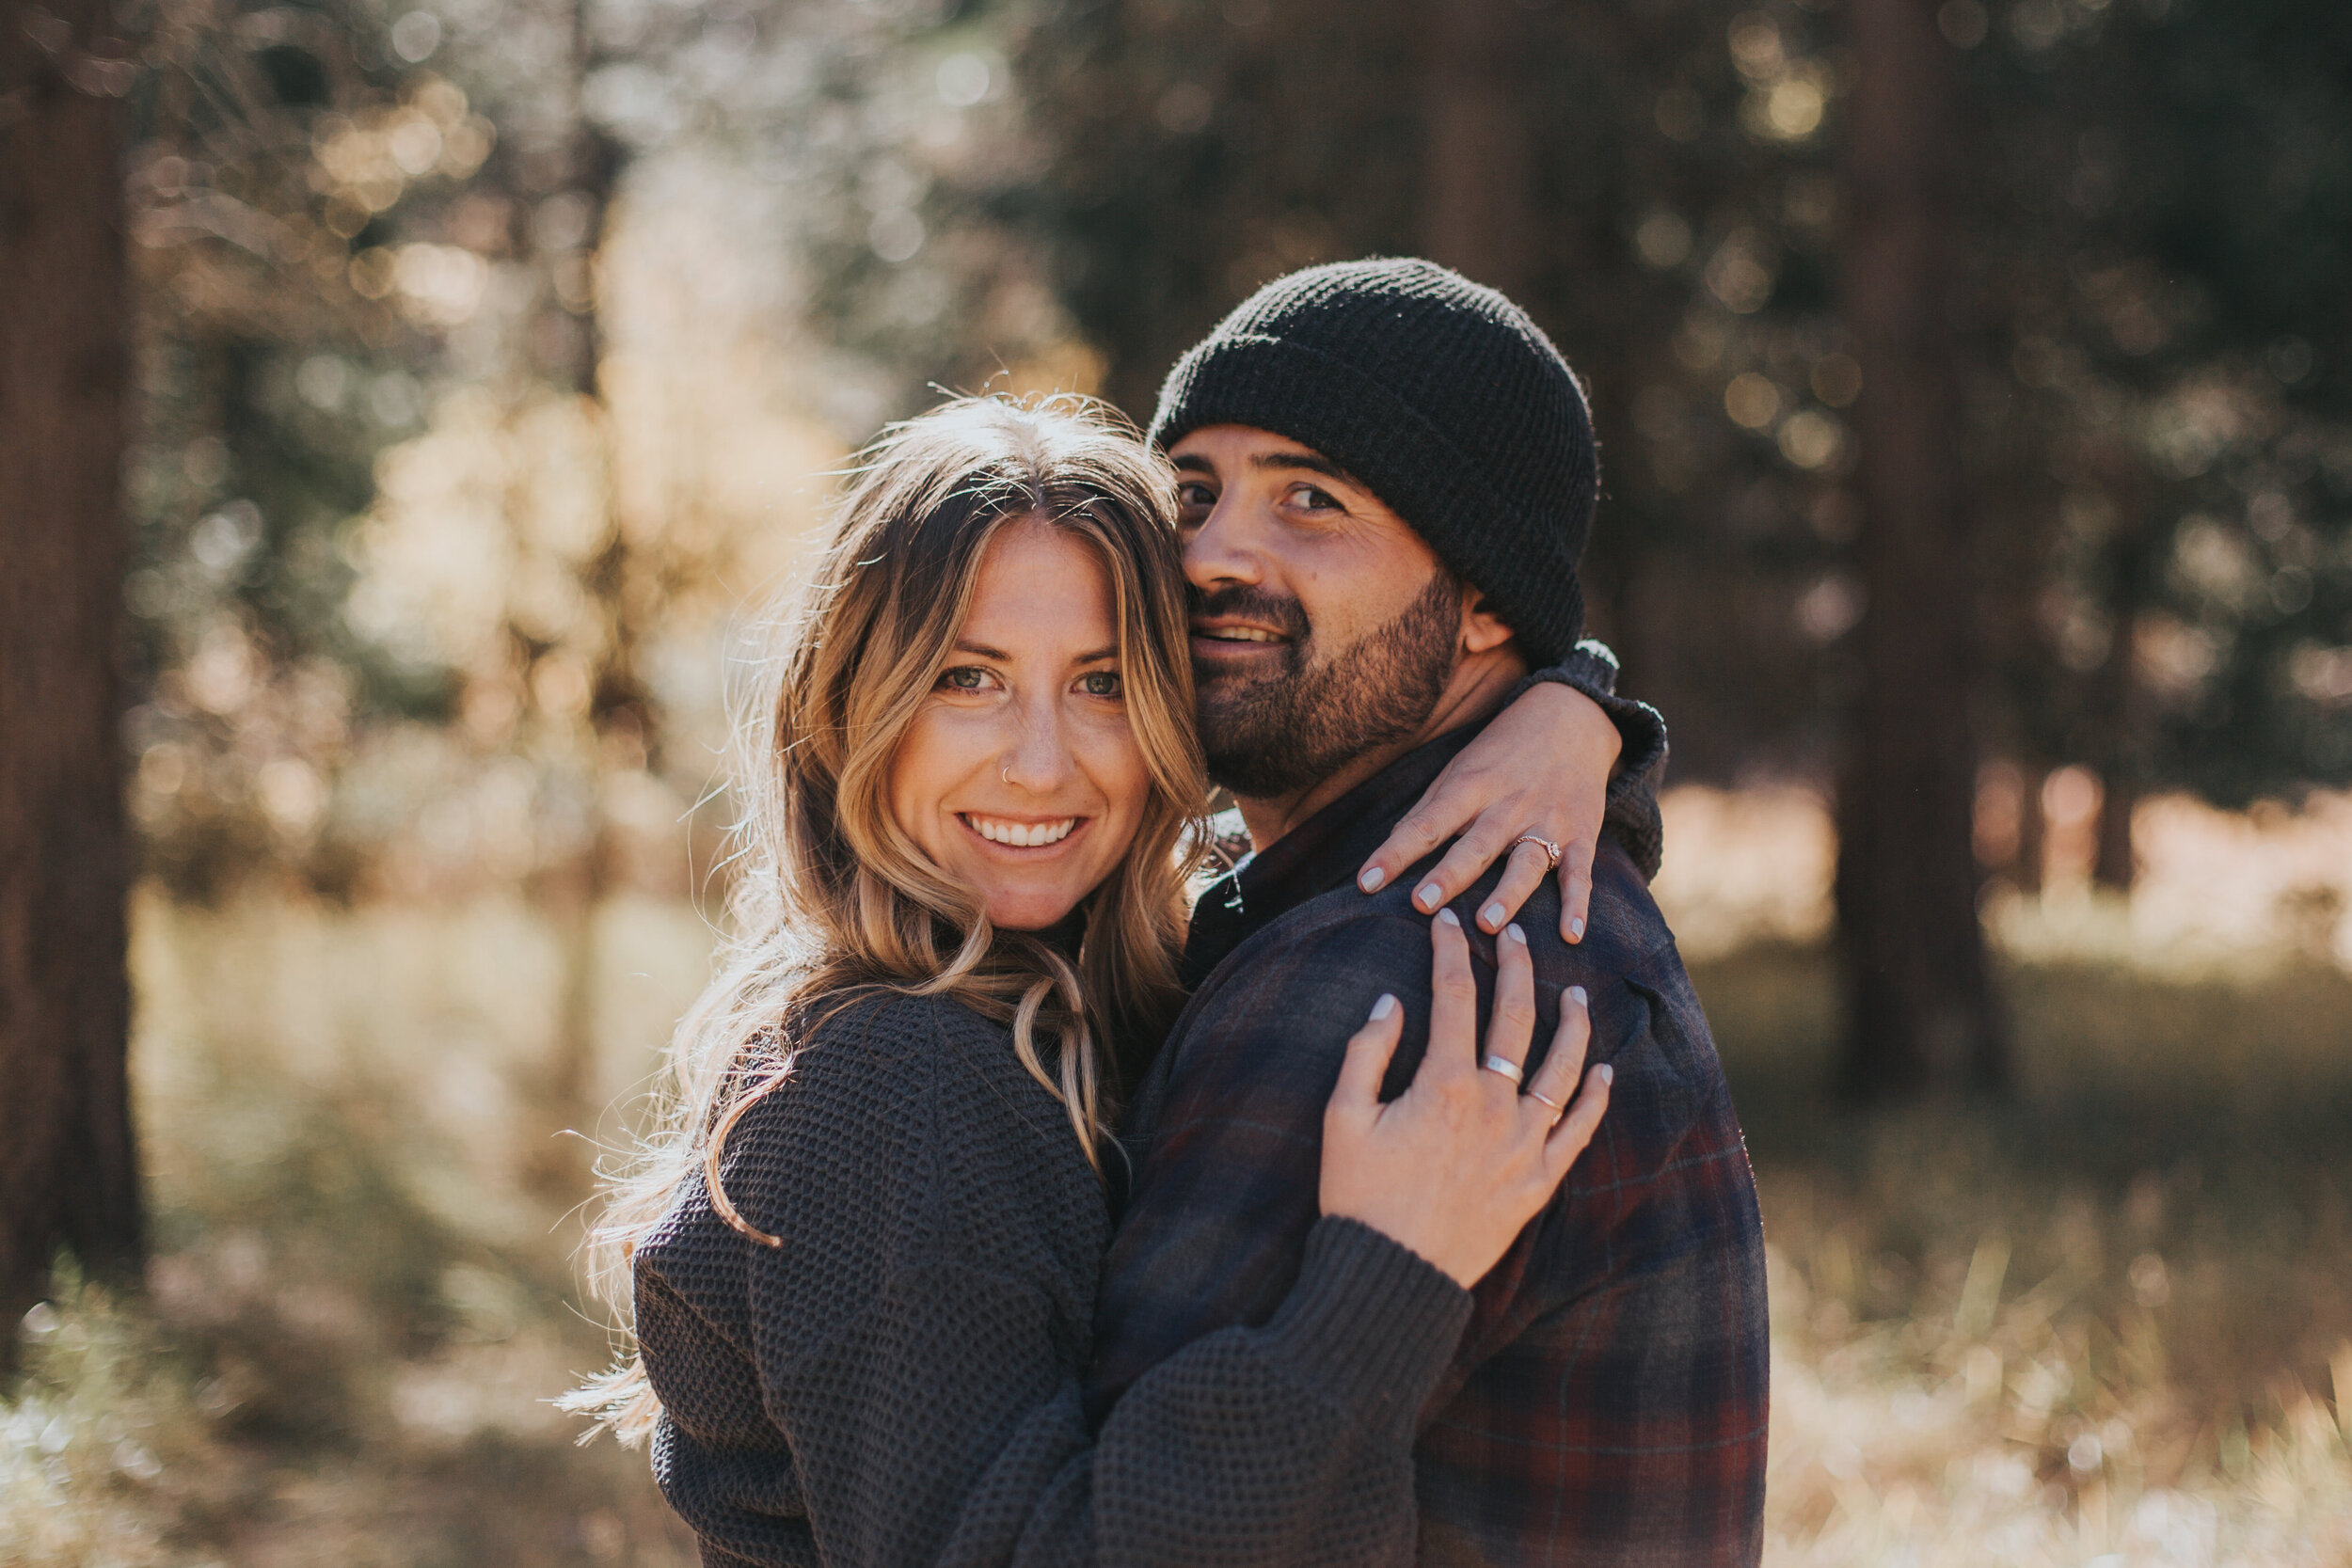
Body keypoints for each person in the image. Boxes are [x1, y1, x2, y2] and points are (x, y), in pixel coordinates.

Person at [566, 394, 1640, 1566]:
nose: (1040, 764)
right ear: (848, 708)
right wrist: (1388, 1275)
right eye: (967, 678)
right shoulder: (891, 1083)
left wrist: (1572, 710)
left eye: (1103, 681)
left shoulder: (1100, 994)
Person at [1089, 259, 1772, 1567]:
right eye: (1192, 490)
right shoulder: (1475, 895)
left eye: (1313, 499)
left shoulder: (1392, 979)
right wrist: (1586, 699)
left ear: (1484, 606)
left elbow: (1120, 1528)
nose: (1212, 552)